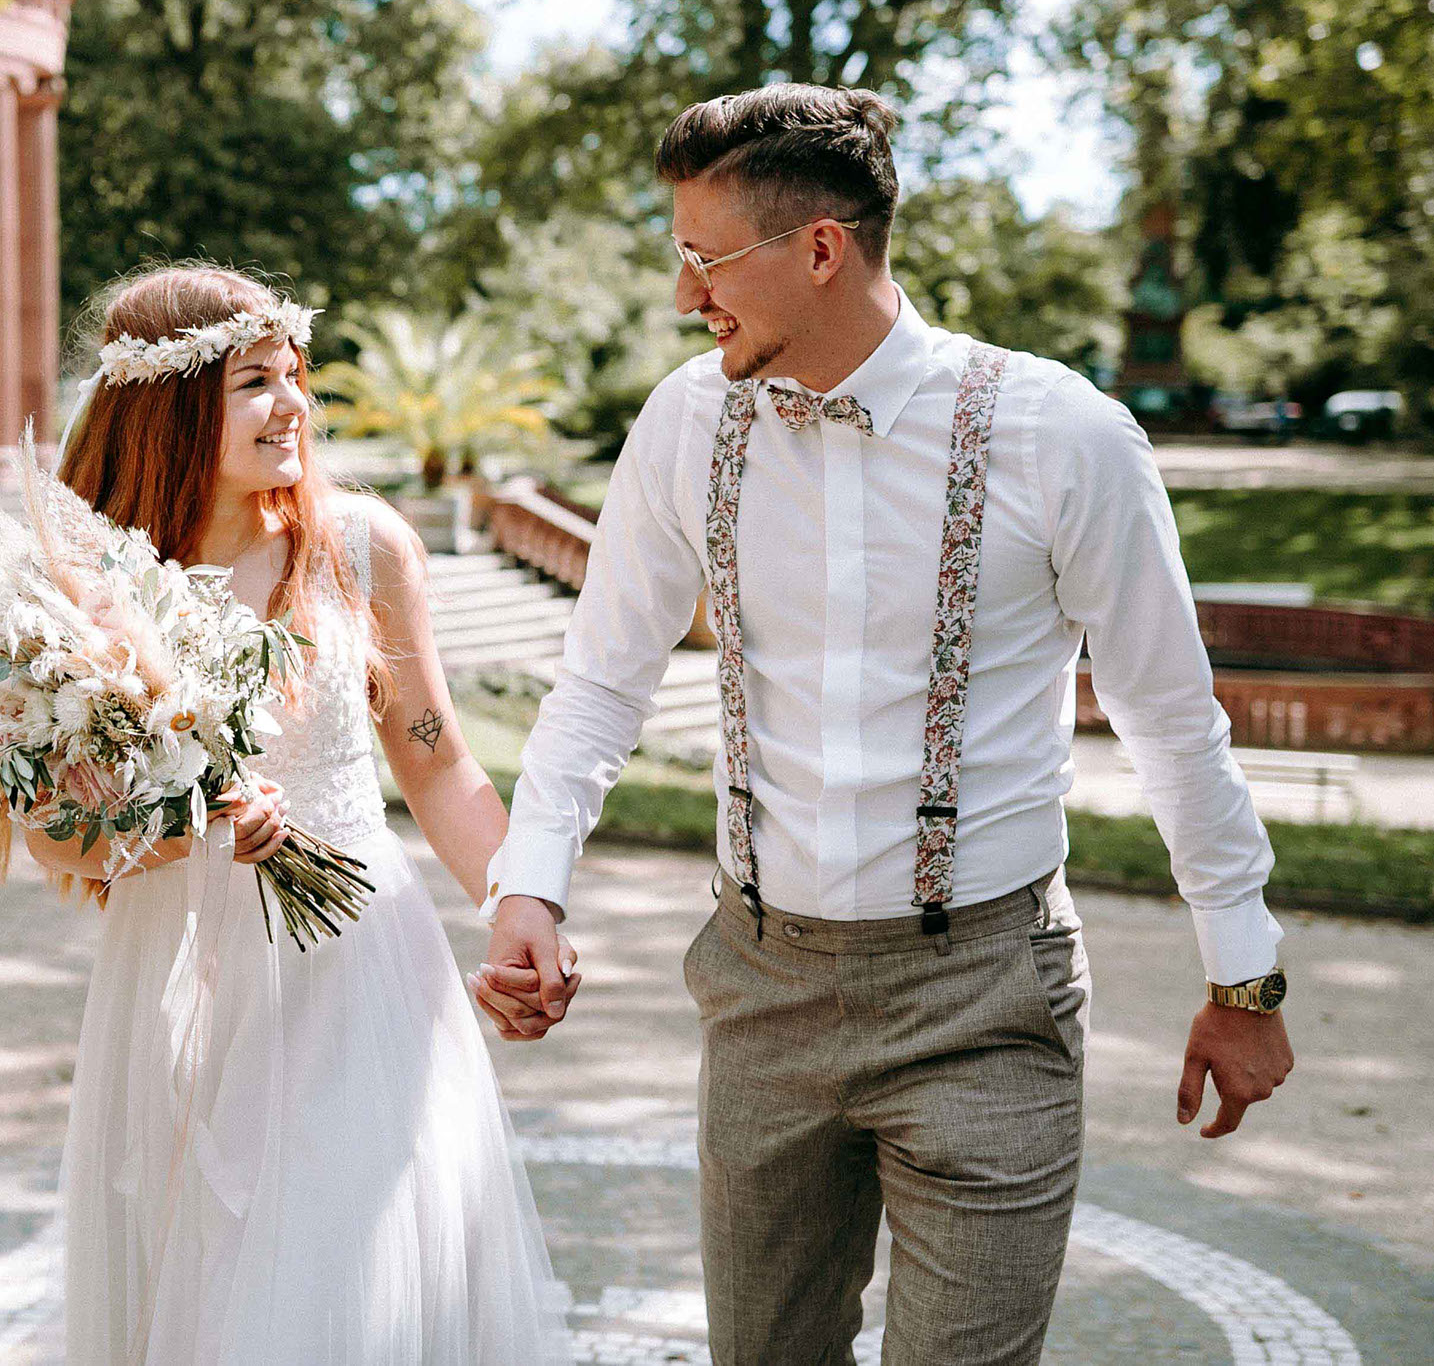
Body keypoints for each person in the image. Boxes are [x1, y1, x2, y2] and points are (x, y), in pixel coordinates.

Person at [471, 85, 1297, 1365]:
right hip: (760, 988)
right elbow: (599, 679)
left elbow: (1173, 721)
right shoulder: (685, 421)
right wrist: (530, 885)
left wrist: (1242, 975)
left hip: (987, 998)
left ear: (819, 247)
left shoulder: (1063, 435)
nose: (686, 294)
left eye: (706, 258)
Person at [27, 263, 575, 1366]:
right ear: (170, 402)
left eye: (293, 376)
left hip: (357, 970)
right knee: (202, 1289)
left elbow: (437, 764)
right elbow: (50, 826)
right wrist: (185, 831)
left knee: (339, 1284)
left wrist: (523, 903)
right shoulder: (86, 591)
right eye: (253, 382)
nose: (291, 406)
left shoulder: (359, 547)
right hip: (180, 981)